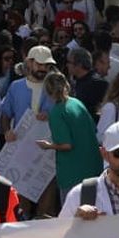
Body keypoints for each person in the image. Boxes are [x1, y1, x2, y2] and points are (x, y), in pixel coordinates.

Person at [40, 70, 102, 201]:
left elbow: (66, 145)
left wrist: (48, 146)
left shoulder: (57, 113)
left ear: (47, 91)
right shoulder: (77, 103)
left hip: (72, 174)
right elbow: (92, 130)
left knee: (72, 216)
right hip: (93, 168)